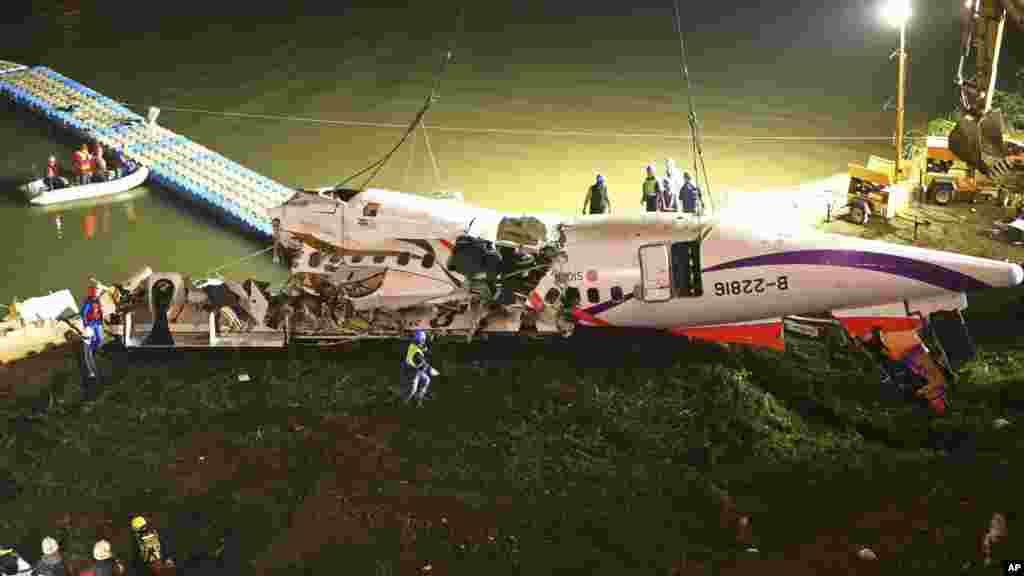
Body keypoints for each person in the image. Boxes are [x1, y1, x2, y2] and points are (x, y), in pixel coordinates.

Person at [403, 329, 437, 406]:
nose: (423, 342)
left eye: (423, 340)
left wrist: (427, 345)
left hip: (416, 369)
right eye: (422, 340)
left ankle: (418, 398)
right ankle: (404, 402)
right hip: (412, 371)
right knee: (413, 390)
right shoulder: (416, 352)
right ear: (419, 340)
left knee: (426, 379)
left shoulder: (414, 345)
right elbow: (423, 364)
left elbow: (423, 348)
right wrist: (431, 370)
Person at [80, 284, 104, 381]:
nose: (95, 294)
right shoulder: (88, 302)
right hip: (90, 324)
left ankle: (93, 349)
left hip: (97, 323)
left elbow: (100, 311)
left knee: (99, 339)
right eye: (94, 292)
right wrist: (86, 324)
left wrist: (101, 320)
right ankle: (91, 352)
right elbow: (83, 313)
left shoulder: (97, 300)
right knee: (89, 346)